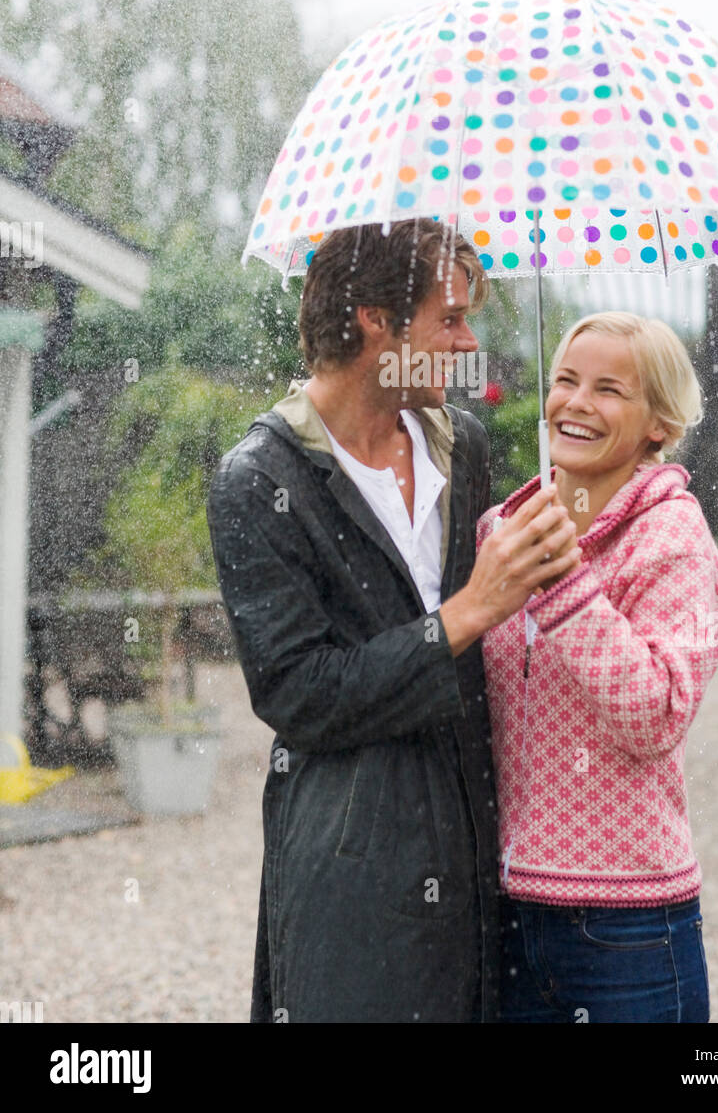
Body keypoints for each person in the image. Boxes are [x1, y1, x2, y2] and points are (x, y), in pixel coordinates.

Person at [206, 219, 578, 1023]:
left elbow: (500, 645)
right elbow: (299, 694)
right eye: (449, 319)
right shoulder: (259, 479)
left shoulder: (462, 447)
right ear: (376, 320)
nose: (468, 340)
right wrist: (468, 610)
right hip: (353, 858)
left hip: (482, 835)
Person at [477, 310, 718, 1024]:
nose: (576, 403)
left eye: (609, 389)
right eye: (565, 380)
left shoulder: (674, 540)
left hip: (627, 926)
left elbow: (655, 715)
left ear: (659, 421)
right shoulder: (502, 531)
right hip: (503, 910)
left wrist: (563, 582)